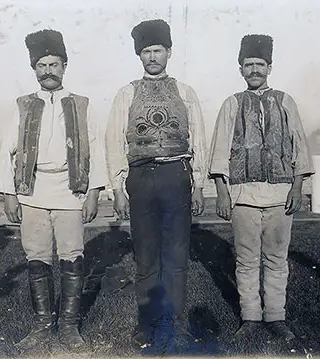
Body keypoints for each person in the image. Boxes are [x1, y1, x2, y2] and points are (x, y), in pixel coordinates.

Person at [0, 29, 107, 352]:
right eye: (41, 65)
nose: (48, 71)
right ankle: (43, 325)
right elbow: (6, 151)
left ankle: (69, 327)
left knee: (72, 256)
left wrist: (94, 193)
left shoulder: (82, 105)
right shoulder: (23, 106)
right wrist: (9, 195)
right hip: (32, 191)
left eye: (53, 64)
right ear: (34, 70)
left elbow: (95, 151)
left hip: (71, 191)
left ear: (64, 66)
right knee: (37, 257)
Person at [105, 19, 208, 349]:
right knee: (146, 257)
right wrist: (117, 188)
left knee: (177, 255)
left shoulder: (185, 92)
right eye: (146, 51)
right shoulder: (127, 93)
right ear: (139, 55)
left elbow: (200, 139)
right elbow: (112, 143)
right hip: (141, 179)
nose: (152, 57)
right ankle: (147, 324)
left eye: (157, 50)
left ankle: (177, 323)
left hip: (176, 176)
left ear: (169, 52)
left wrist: (200, 184)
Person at [208, 34, 315, 342]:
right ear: (240, 68)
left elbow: (300, 148)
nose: (254, 70)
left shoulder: (285, 100)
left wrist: (297, 187)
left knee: (277, 259)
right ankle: (251, 317)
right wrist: (222, 191)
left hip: (281, 196)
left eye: (259, 64)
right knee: (246, 260)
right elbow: (219, 151)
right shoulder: (232, 104)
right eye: (248, 64)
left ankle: (276, 317)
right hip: (243, 197)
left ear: (269, 67)